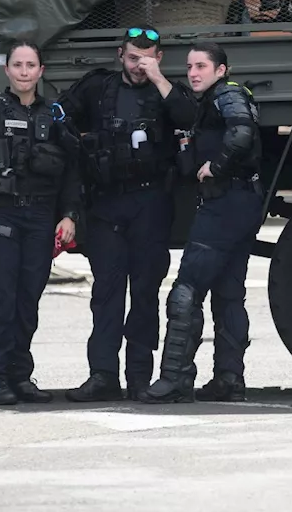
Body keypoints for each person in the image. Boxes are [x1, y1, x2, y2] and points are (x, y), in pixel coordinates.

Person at [61, 26, 198, 402]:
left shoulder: (167, 91)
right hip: (106, 204)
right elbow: (57, 120)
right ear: (120, 55)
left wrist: (158, 79)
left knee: (144, 293)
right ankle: (102, 374)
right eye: (134, 57)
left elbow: (189, 116)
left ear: (159, 58)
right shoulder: (98, 87)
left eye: (148, 58)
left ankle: (139, 376)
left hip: (150, 203)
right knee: (106, 293)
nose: (140, 65)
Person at [0, 40, 82, 406]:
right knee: (3, 299)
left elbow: (72, 169)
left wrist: (69, 214)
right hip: (0, 215)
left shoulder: (55, 115)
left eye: (31, 65)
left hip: (42, 216)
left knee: (28, 300)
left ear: (41, 71)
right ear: (7, 70)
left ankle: (20, 375)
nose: (24, 71)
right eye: (18, 65)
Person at [141, 43, 264, 404]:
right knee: (228, 295)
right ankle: (229, 379)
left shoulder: (227, 94)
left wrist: (218, 165)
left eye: (201, 66)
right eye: (190, 66)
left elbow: (241, 132)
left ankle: (175, 380)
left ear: (221, 70)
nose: (193, 73)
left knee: (186, 290)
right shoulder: (208, 102)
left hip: (226, 203)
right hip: (239, 203)